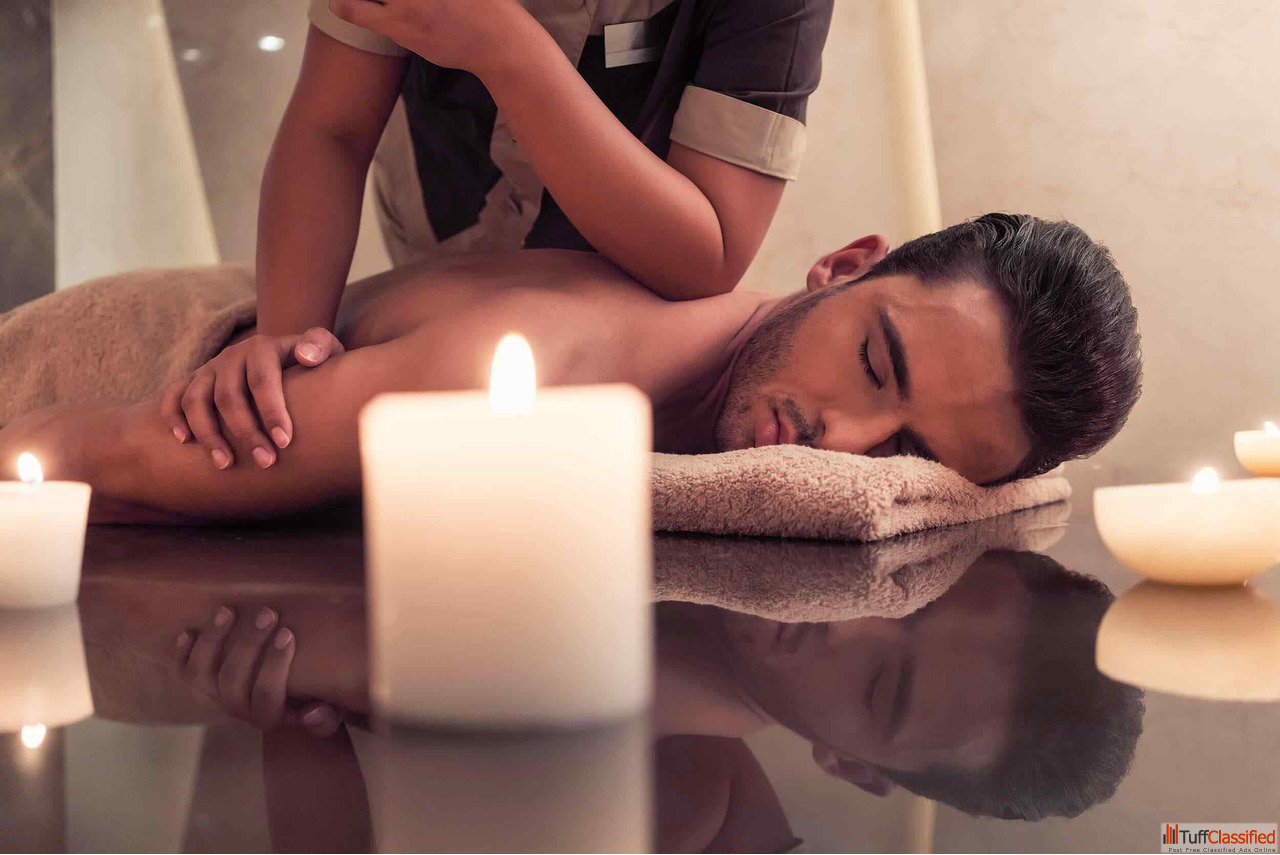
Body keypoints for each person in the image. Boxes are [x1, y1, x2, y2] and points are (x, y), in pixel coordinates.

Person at [0, 213, 1141, 522]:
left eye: (913, 456)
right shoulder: (530, 376)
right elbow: (92, 454)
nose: (842, 443)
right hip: (83, 362)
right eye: (875, 363)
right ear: (839, 265)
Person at [222, 0, 832, 464]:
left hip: (626, 295)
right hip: (433, 255)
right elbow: (331, 128)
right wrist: (285, 343)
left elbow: (711, 251)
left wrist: (503, 45)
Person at [171, 548, 1145, 828]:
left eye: (882, 689)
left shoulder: (679, 807)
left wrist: (285, 728)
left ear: (853, 765)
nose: (845, 624)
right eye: (908, 592)